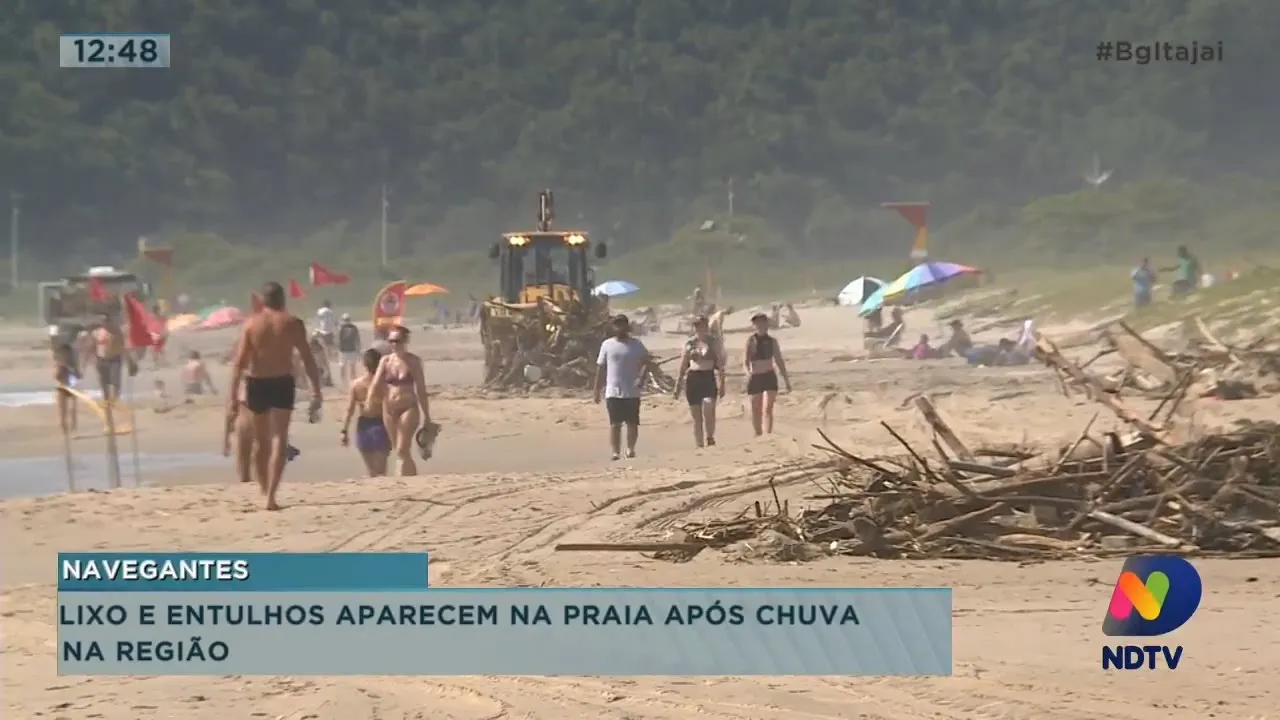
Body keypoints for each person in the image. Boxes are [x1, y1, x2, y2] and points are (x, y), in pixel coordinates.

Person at [228, 281, 323, 511]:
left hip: (256, 382)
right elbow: (308, 359)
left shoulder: (252, 324)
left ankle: (263, 490)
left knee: (261, 441)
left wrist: (232, 396)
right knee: (279, 437)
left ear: (263, 300)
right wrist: (316, 390)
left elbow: (239, 363)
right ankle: (271, 494)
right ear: (282, 299)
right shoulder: (292, 323)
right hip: (282, 382)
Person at [365, 326, 432, 476]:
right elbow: (375, 383)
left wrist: (427, 416)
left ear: (405, 341)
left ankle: (401, 478)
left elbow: (421, 389)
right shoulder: (385, 361)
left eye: (398, 341)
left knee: (402, 448)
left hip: (408, 407)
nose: (394, 344)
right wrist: (369, 401)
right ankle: (410, 479)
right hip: (389, 409)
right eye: (391, 341)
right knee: (399, 450)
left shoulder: (413, 361)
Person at [593, 315, 650, 460]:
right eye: (617, 325)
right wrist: (596, 390)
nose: (619, 328)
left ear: (627, 326)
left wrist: (641, 378)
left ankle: (630, 449)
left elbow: (646, 362)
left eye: (622, 325)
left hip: (632, 390)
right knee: (615, 424)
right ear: (613, 327)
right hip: (613, 390)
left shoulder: (636, 344)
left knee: (632, 423)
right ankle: (616, 452)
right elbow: (601, 368)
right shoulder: (607, 344)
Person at [674, 316, 725, 448]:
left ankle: (710, 436)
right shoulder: (690, 343)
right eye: (696, 325)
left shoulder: (713, 342)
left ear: (706, 326)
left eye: (701, 325)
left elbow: (720, 363)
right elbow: (684, 363)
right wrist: (678, 384)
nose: (699, 328)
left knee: (709, 408)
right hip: (693, 377)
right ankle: (699, 444)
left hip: (708, 376)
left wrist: (722, 382)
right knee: (696, 416)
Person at [341, 349, 391, 476]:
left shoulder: (356, 384)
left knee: (372, 472)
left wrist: (344, 431)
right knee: (381, 471)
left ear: (364, 364)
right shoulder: (385, 384)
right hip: (381, 424)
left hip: (364, 425)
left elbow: (350, 410)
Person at [744, 312, 791, 436]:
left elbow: (779, 360)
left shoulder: (772, 341)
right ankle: (758, 433)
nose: (759, 325)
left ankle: (768, 434)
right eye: (757, 322)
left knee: (768, 407)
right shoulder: (750, 340)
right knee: (755, 408)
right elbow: (745, 361)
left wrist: (786, 380)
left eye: (762, 322)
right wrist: (748, 373)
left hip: (769, 375)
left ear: (766, 324)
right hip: (755, 376)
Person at [91, 313, 133, 403]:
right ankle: (106, 399)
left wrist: (129, 360)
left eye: (106, 321)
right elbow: (92, 346)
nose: (105, 323)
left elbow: (123, 346)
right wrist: (88, 360)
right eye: (103, 321)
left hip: (115, 359)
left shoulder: (117, 332)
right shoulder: (97, 332)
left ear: (110, 321)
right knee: (104, 381)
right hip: (101, 359)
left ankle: (115, 399)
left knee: (115, 380)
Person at [53, 343, 79, 434]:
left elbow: (78, 376)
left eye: (67, 354)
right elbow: (56, 377)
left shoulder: (73, 365)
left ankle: (72, 427)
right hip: (62, 388)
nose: (65, 356)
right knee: (62, 411)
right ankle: (64, 429)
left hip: (72, 388)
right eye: (64, 354)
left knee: (72, 409)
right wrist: (61, 368)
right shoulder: (59, 364)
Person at [336, 313, 362, 386]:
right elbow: (357, 339)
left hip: (345, 350)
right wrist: (358, 349)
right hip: (349, 350)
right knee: (350, 366)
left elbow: (338, 339)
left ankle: (345, 382)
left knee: (344, 366)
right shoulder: (353, 327)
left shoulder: (341, 328)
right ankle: (350, 382)